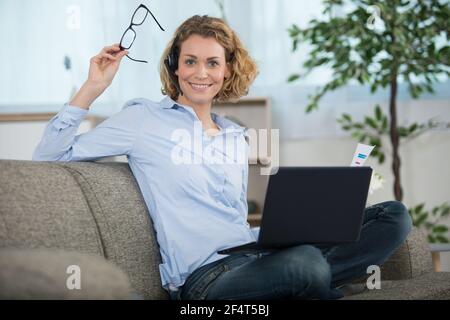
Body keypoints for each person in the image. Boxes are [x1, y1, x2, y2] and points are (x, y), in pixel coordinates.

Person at [33, 15, 412, 300]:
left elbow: (233, 218)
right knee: (306, 264)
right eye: (190, 61)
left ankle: (311, 283)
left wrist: (299, 228)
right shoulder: (143, 118)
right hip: (206, 278)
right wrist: (93, 87)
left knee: (393, 216)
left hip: (254, 255)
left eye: (212, 63)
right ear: (174, 67)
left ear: (227, 69)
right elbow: (50, 157)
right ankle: (320, 284)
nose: (201, 73)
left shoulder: (235, 134)